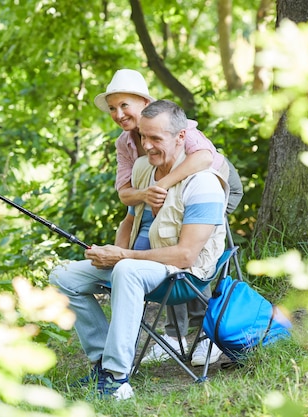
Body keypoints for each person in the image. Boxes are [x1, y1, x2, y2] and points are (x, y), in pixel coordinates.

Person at [49, 100, 228, 399]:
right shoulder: (145, 168)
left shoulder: (204, 184)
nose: (147, 145)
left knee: (127, 270)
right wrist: (113, 251)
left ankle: (118, 380)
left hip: (184, 277)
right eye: (144, 137)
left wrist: (123, 257)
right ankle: (102, 365)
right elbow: (130, 218)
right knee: (63, 275)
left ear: (181, 137)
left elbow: (186, 256)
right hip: (138, 264)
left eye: (156, 139)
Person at [93, 69, 243, 365]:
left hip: (214, 184)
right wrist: (147, 194)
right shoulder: (125, 143)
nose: (119, 113)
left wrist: (160, 185)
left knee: (192, 248)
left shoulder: (171, 122)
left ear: (144, 102)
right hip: (167, 193)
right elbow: (125, 193)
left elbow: (202, 159)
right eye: (113, 108)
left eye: (125, 105)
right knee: (164, 239)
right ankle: (173, 336)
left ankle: (205, 336)